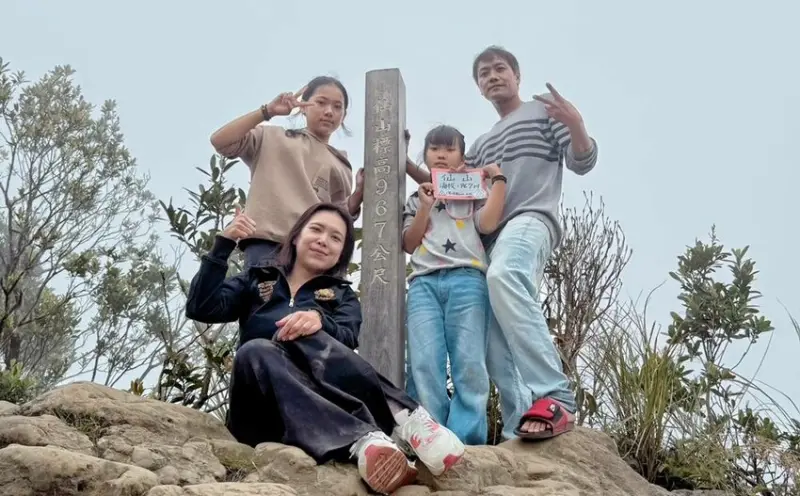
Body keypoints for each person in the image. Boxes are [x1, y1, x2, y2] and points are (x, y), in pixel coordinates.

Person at [184, 202, 465, 495]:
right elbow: (201, 307)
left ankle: (371, 442)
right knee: (255, 350)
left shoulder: (342, 296)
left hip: (320, 415)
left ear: (342, 252)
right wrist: (224, 244)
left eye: (335, 237)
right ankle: (399, 414)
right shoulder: (258, 278)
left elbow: (346, 340)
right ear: (296, 236)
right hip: (260, 413)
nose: (323, 240)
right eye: (316, 230)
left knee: (307, 331)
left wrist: (319, 319)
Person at [408, 46, 599, 441]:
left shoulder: (542, 113)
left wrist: (576, 124)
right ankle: (517, 429)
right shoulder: (480, 145)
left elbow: (582, 161)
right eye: (484, 73)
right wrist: (398, 160)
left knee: (505, 274)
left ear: (517, 75)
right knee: (495, 343)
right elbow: (444, 183)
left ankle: (556, 395)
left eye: (499, 69)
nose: (492, 76)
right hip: (488, 239)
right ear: (479, 87)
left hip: (530, 219)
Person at [401, 125, 506, 445]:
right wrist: (424, 206)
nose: (441, 155)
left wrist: (497, 180)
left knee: (469, 362)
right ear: (425, 155)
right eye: (434, 149)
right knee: (423, 362)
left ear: (462, 156)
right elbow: (409, 243)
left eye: (449, 149)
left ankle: (466, 440)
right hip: (423, 283)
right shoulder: (415, 197)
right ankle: (429, 437)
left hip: (467, 279)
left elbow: (488, 223)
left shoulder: (473, 191)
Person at [209, 76, 365, 269]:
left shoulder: (341, 163)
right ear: (303, 106)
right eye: (321, 102)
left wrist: (358, 194)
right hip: (269, 246)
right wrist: (267, 111)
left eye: (337, 107)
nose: (328, 111)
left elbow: (338, 215)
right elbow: (221, 141)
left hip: (315, 254)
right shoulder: (272, 137)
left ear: (344, 115)